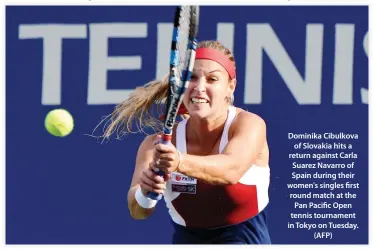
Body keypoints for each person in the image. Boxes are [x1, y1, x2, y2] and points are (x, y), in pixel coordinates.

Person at [102, 40, 271, 244]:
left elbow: (231, 170)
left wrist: (180, 162)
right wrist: (146, 193)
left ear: (230, 87)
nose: (199, 88)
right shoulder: (154, 145)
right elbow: (138, 211)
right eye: (191, 77)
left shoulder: (249, 125)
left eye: (212, 79)